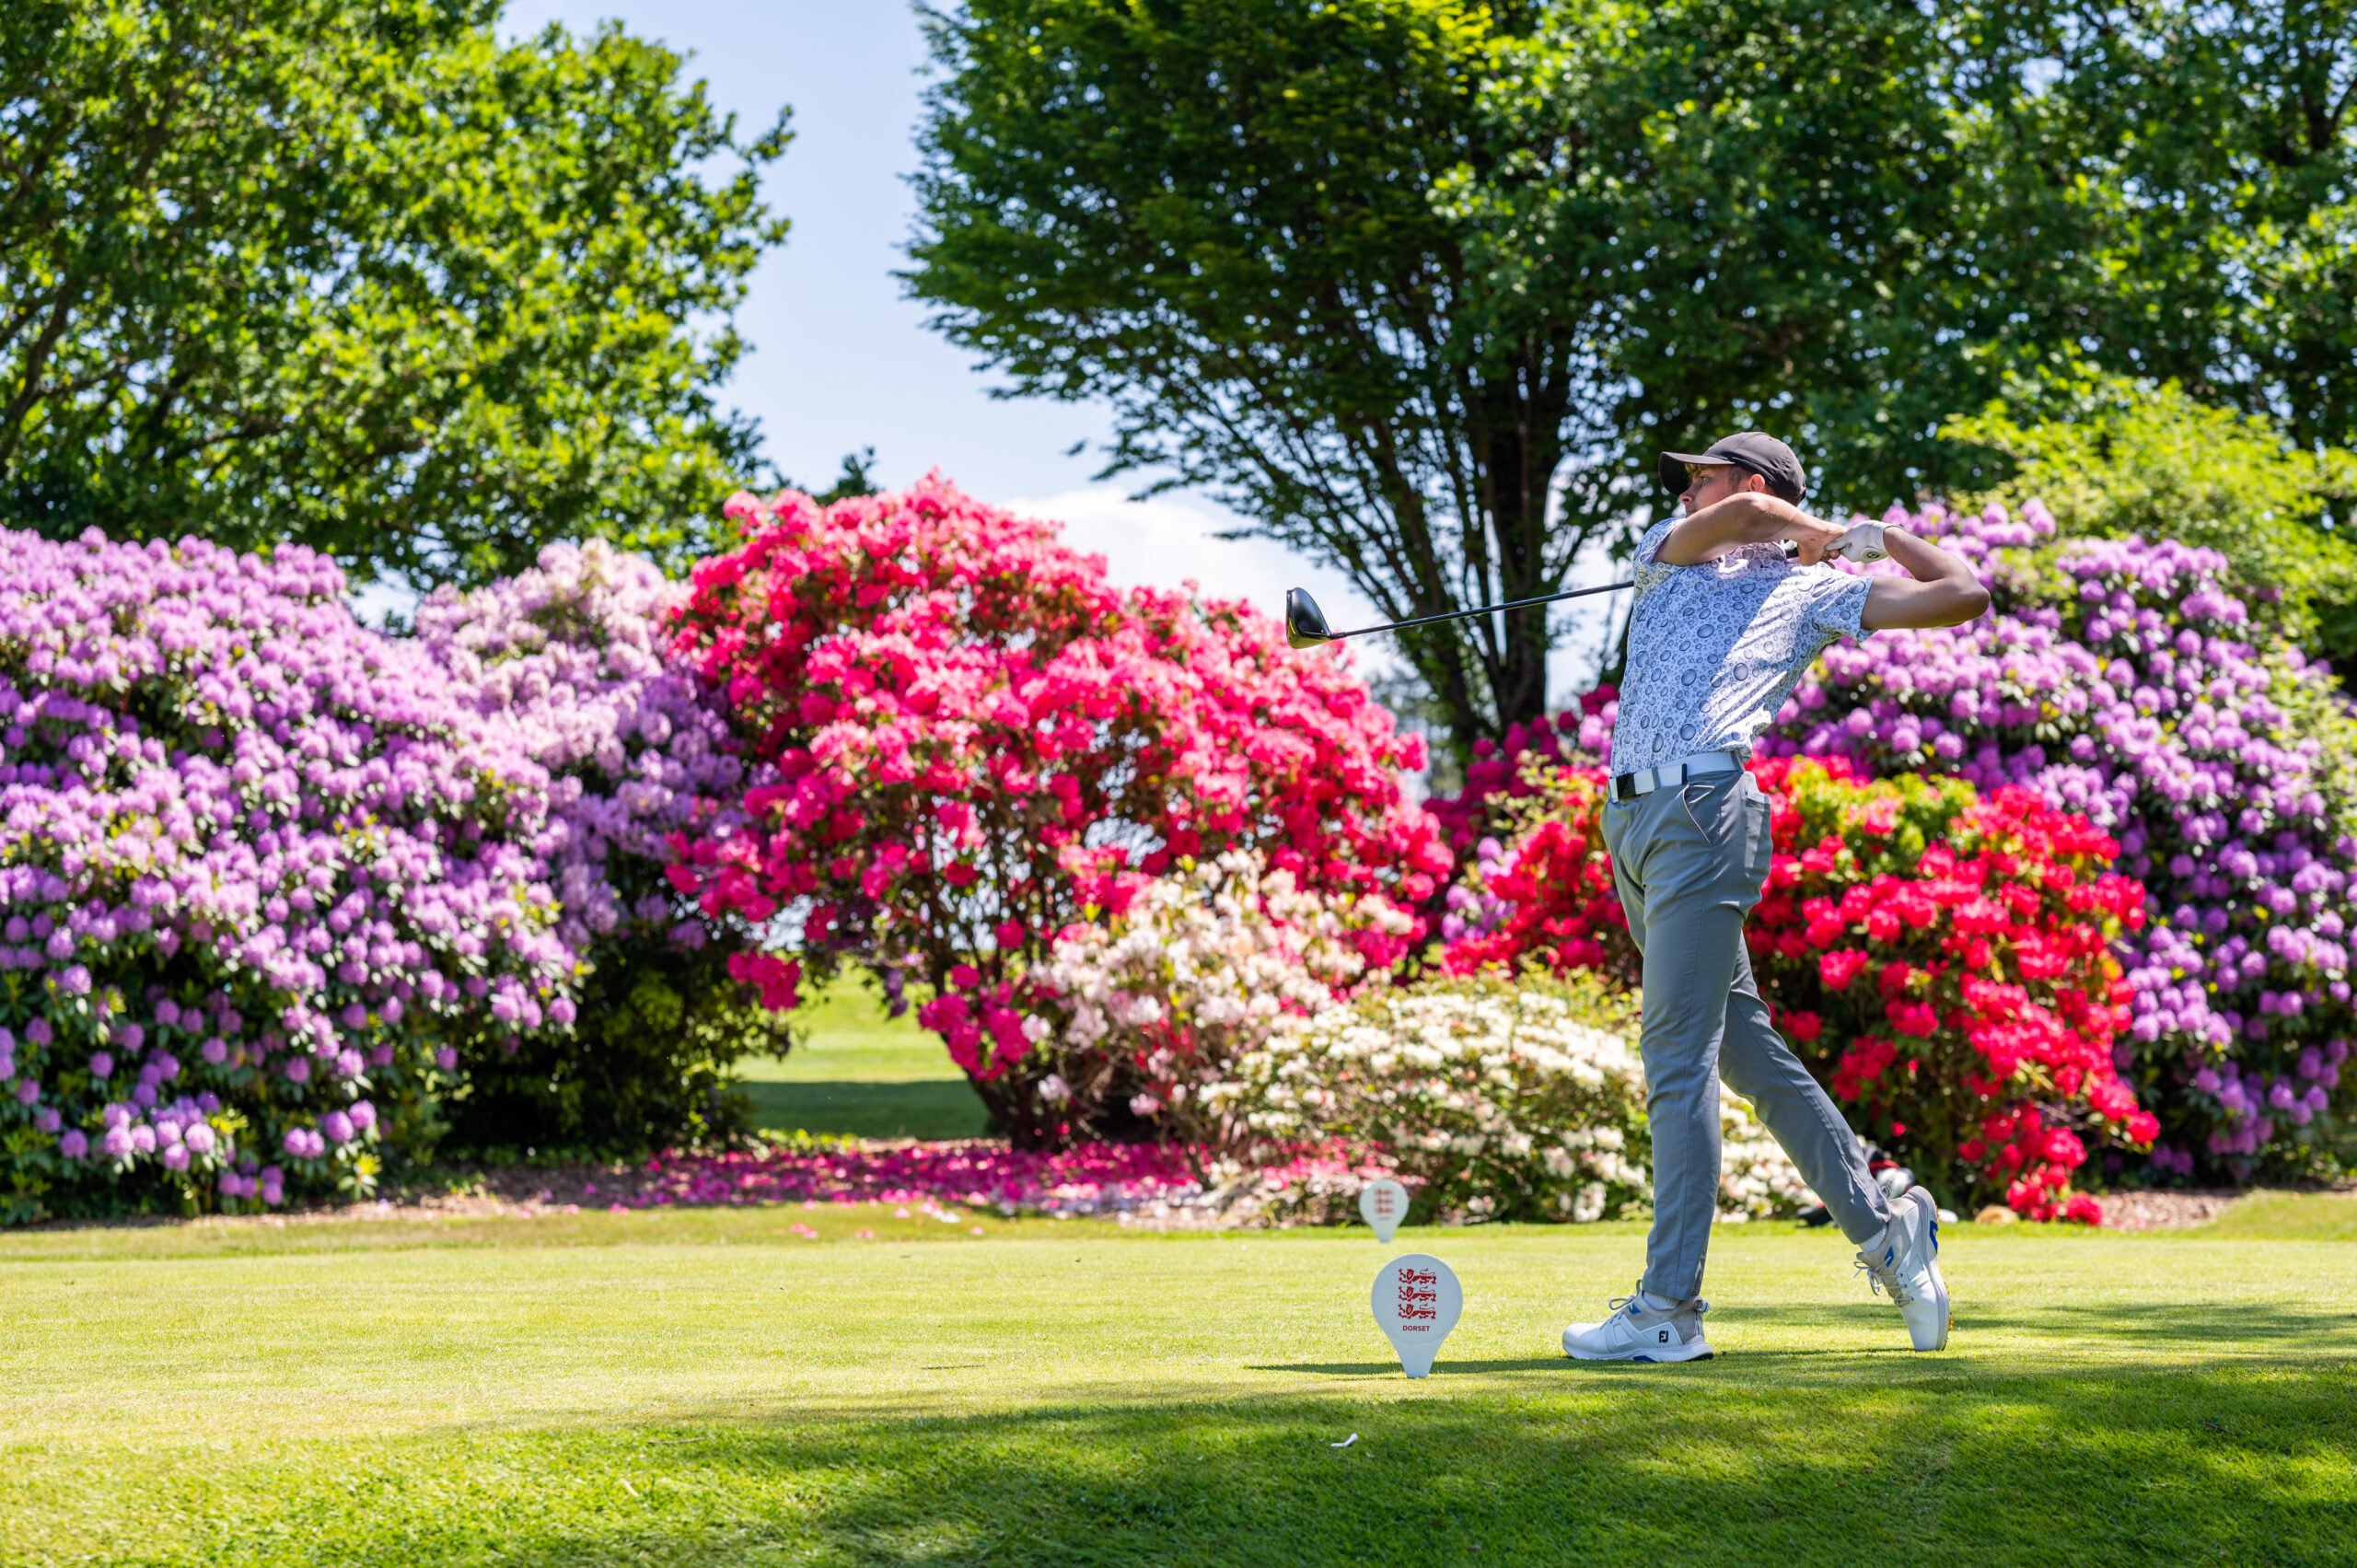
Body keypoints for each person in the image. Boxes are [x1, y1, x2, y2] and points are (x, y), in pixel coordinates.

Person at [1561, 431, 1990, 1364]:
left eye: (1700, 477)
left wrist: (1876, 538)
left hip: (1704, 812)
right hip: (1630, 821)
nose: (1685, 492)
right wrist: (1827, 530)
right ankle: (1888, 1230)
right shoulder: (1667, 554)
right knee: (1747, 1054)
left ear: (1748, 478)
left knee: (1677, 1056)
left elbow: (1964, 593)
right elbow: (1751, 519)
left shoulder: (1811, 591)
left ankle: (1667, 1306)